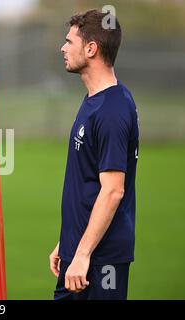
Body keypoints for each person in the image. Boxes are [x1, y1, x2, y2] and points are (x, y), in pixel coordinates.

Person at [49, 9, 139, 300]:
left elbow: (113, 191)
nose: (63, 48)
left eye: (69, 42)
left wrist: (83, 253)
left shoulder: (112, 111)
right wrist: (67, 242)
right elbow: (86, 183)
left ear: (91, 49)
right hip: (79, 251)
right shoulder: (94, 100)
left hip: (100, 261)